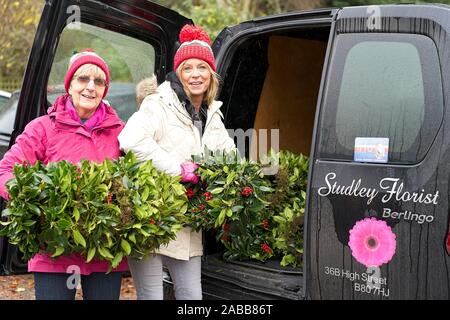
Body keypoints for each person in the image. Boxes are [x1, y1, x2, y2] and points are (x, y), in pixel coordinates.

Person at [118, 24, 236, 300]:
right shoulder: (158, 104)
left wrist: (234, 180)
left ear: (211, 73)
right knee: (152, 296)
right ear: (178, 73)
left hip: (187, 223)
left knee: (191, 296)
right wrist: (177, 168)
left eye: (202, 67)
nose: (195, 74)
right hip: (152, 218)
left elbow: (229, 157)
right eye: (188, 68)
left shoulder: (212, 115)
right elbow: (131, 141)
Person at [0, 50, 128, 300]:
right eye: (83, 79)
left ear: (105, 90)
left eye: (99, 81)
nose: (91, 87)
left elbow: (138, 178)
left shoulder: (121, 132)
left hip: (103, 247)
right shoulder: (43, 127)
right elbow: (6, 171)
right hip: (54, 246)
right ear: (69, 85)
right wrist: (35, 197)